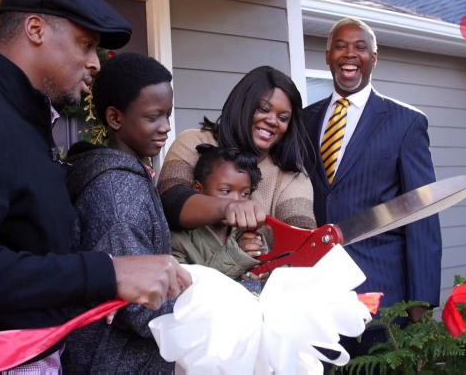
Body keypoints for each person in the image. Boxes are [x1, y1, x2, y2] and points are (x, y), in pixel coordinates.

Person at [0, 0, 190, 373]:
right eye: (86, 44)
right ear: (35, 29)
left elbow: (28, 251)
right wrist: (108, 273)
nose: (94, 63)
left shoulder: (26, 123)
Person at [302, 18, 442, 360]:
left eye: (360, 47)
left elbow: (421, 214)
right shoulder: (303, 121)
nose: (350, 54)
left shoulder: (405, 122)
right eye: (341, 46)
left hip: (381, 298)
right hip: (315, 296)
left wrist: (420, 303)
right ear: (327, 56)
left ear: (373, 59)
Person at [61, 52, 175, 372]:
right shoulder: (118, 194)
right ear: (115, 118)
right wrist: (222, 300)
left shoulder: (126, 177)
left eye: (168, 114)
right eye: (153, 116)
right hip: (116, 361)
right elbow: (140, 307)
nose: (165, 127)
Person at [158, 66, 316, 237]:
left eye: (283, 118)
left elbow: (301, 234)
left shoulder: (292, 176)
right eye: (263, 109)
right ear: (242, 105)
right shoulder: (193, 141)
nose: (272, 121)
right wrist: (228, 207)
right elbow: (169, 200)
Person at [171, 144, 267, 287]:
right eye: (225, 191)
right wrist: (236, 255)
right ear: (198, 189)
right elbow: (183, 291)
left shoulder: (250, 234)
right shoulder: (178, 240)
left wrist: (263, 274)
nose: (236, 201)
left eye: (245, 193)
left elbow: (266, 273)